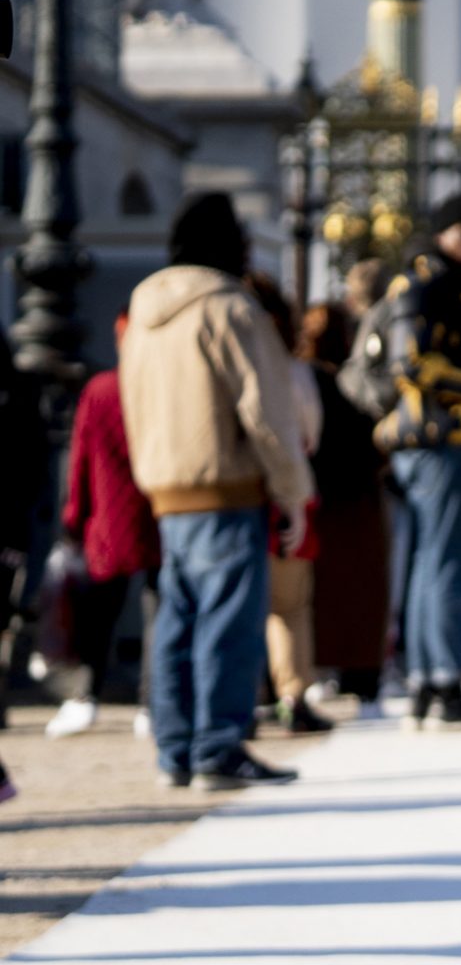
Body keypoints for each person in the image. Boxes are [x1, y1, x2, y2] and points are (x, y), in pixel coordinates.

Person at [120, 191, 314, 790]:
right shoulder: (231, 308)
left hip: (167, 484)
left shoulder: (144, 309)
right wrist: (292, 490)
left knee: (177, 620)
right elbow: (268, 412)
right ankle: (218, 745)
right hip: (226, 483)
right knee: (229, 620)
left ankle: (175, 748)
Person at [363, 192, 461, 729]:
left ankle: (428, 683)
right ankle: (443, 683)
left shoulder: (447, 284)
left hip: (436, 441)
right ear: (442, 232)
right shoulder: (425, 284)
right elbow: (412, 362)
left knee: (430, 563)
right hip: (441, 437)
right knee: (448, 564)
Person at [47, 308, 160, 738]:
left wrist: (73, 516)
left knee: (97, 618)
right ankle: (151, 703)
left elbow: (79, 462)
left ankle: (86, 696)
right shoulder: (158, 390)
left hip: (108, 520)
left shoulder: (100, 390)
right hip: (155, 515)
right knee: (157, 616)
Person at [245, 271, 331, 735]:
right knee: (290, 605)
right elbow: (309, 434)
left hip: (241, 487)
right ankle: (292, 692)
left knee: (244, 603)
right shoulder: (292, 371)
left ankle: (247, 698)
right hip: (286, 490)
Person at [304, 302, 394, 718]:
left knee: (324, 595)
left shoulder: (305, 380)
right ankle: (359, 677)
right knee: (359, 595)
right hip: (355, 501)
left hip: (321, 500)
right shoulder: (351, 384)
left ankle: (325, 672)